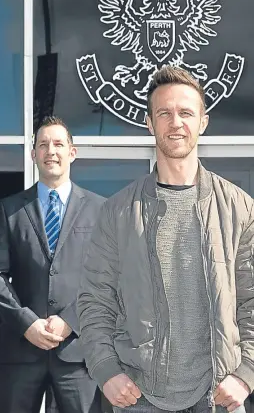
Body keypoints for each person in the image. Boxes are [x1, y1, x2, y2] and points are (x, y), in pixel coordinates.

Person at [78, 66, 254, 413]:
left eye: (186, 112)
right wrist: (106, 370)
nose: (176, 123)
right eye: (165, 113)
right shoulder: (117, 213)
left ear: (203, 122)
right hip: (139, 398)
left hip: (217, 396)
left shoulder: (240, 209)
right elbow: (95, 303)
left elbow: (252, 304)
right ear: (149, 123)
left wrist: (246, 373)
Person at [0, 116, 105, 413]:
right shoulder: (10, 209)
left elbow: (107, 277)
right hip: (22, 350)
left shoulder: (100, 209)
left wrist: (70, 322)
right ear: (33, 154)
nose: (51, 150)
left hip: (77, 353)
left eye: (58, 144)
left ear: (72, 152)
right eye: (43, 144)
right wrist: (27, 323)